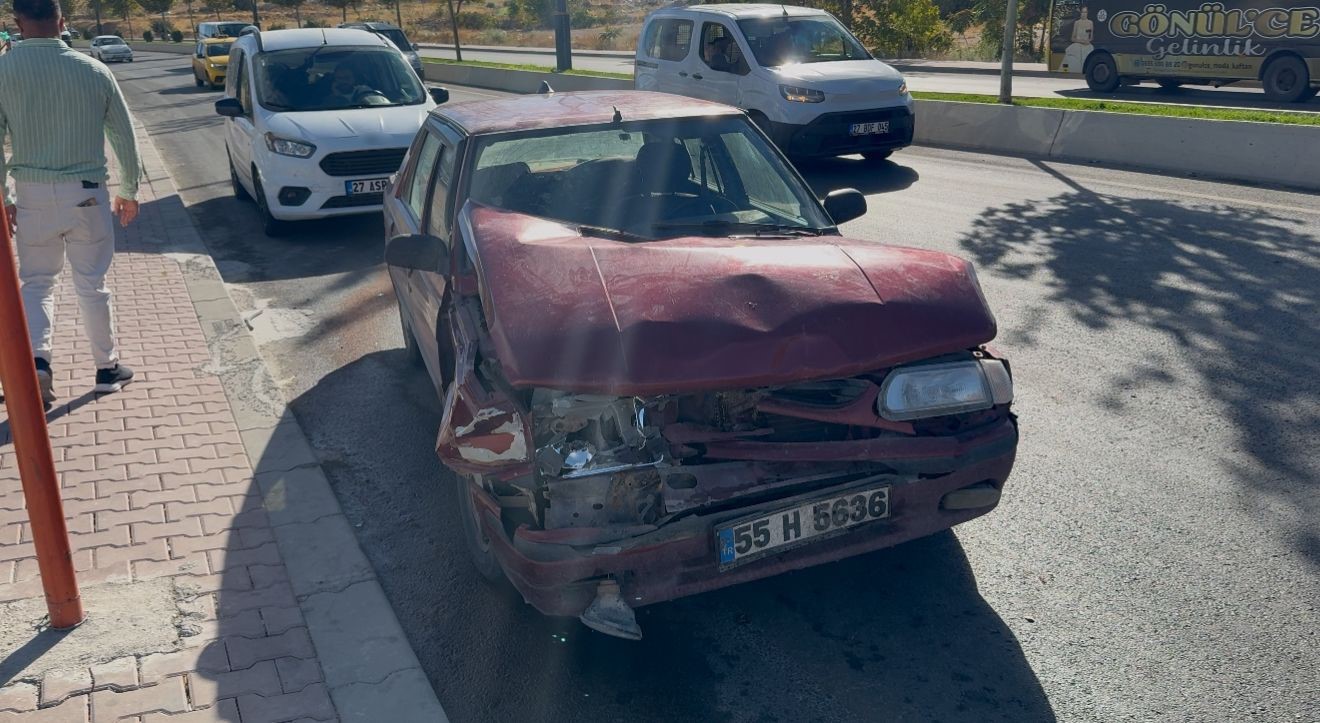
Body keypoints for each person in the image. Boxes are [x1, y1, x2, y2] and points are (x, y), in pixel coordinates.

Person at [0, 0, 139, 407]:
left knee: (38, 282)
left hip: (32, 194)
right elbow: (124, 138)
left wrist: (4, 196)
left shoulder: (2, 72)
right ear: (61, 22)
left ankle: (38, 362)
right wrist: (128, 190)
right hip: (87, 194)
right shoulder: (94, 70)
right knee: (92, 283)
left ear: (18, 24)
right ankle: (106, 368)